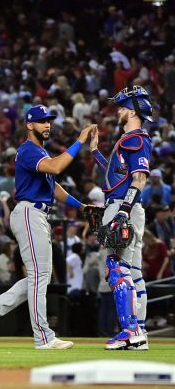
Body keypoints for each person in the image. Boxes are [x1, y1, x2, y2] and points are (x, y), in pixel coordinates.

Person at [0, 105, 95, 350]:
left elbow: (54, 187)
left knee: (39, 277)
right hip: (29, 212)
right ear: (30, 125)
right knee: (39, 276)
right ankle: (43, 337)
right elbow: (56, 167)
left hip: (36, 213)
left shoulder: (40, 152)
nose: (47, 125)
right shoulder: (28, 150)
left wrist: (81, 206)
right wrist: (79, 141)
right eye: (42, 121)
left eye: (49, 121)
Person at [91, 86, 153, 350]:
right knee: (134, 272)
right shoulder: (130, 139)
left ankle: (130, 330)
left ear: (131, 110)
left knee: (117, 267)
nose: (118, 111)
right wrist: (95, 153)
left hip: (124, 206)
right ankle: (140, 332)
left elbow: (139, 180)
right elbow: (119, 175)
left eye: (121, 107)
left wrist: (123, 212)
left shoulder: (136, 139)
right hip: (126, 205)